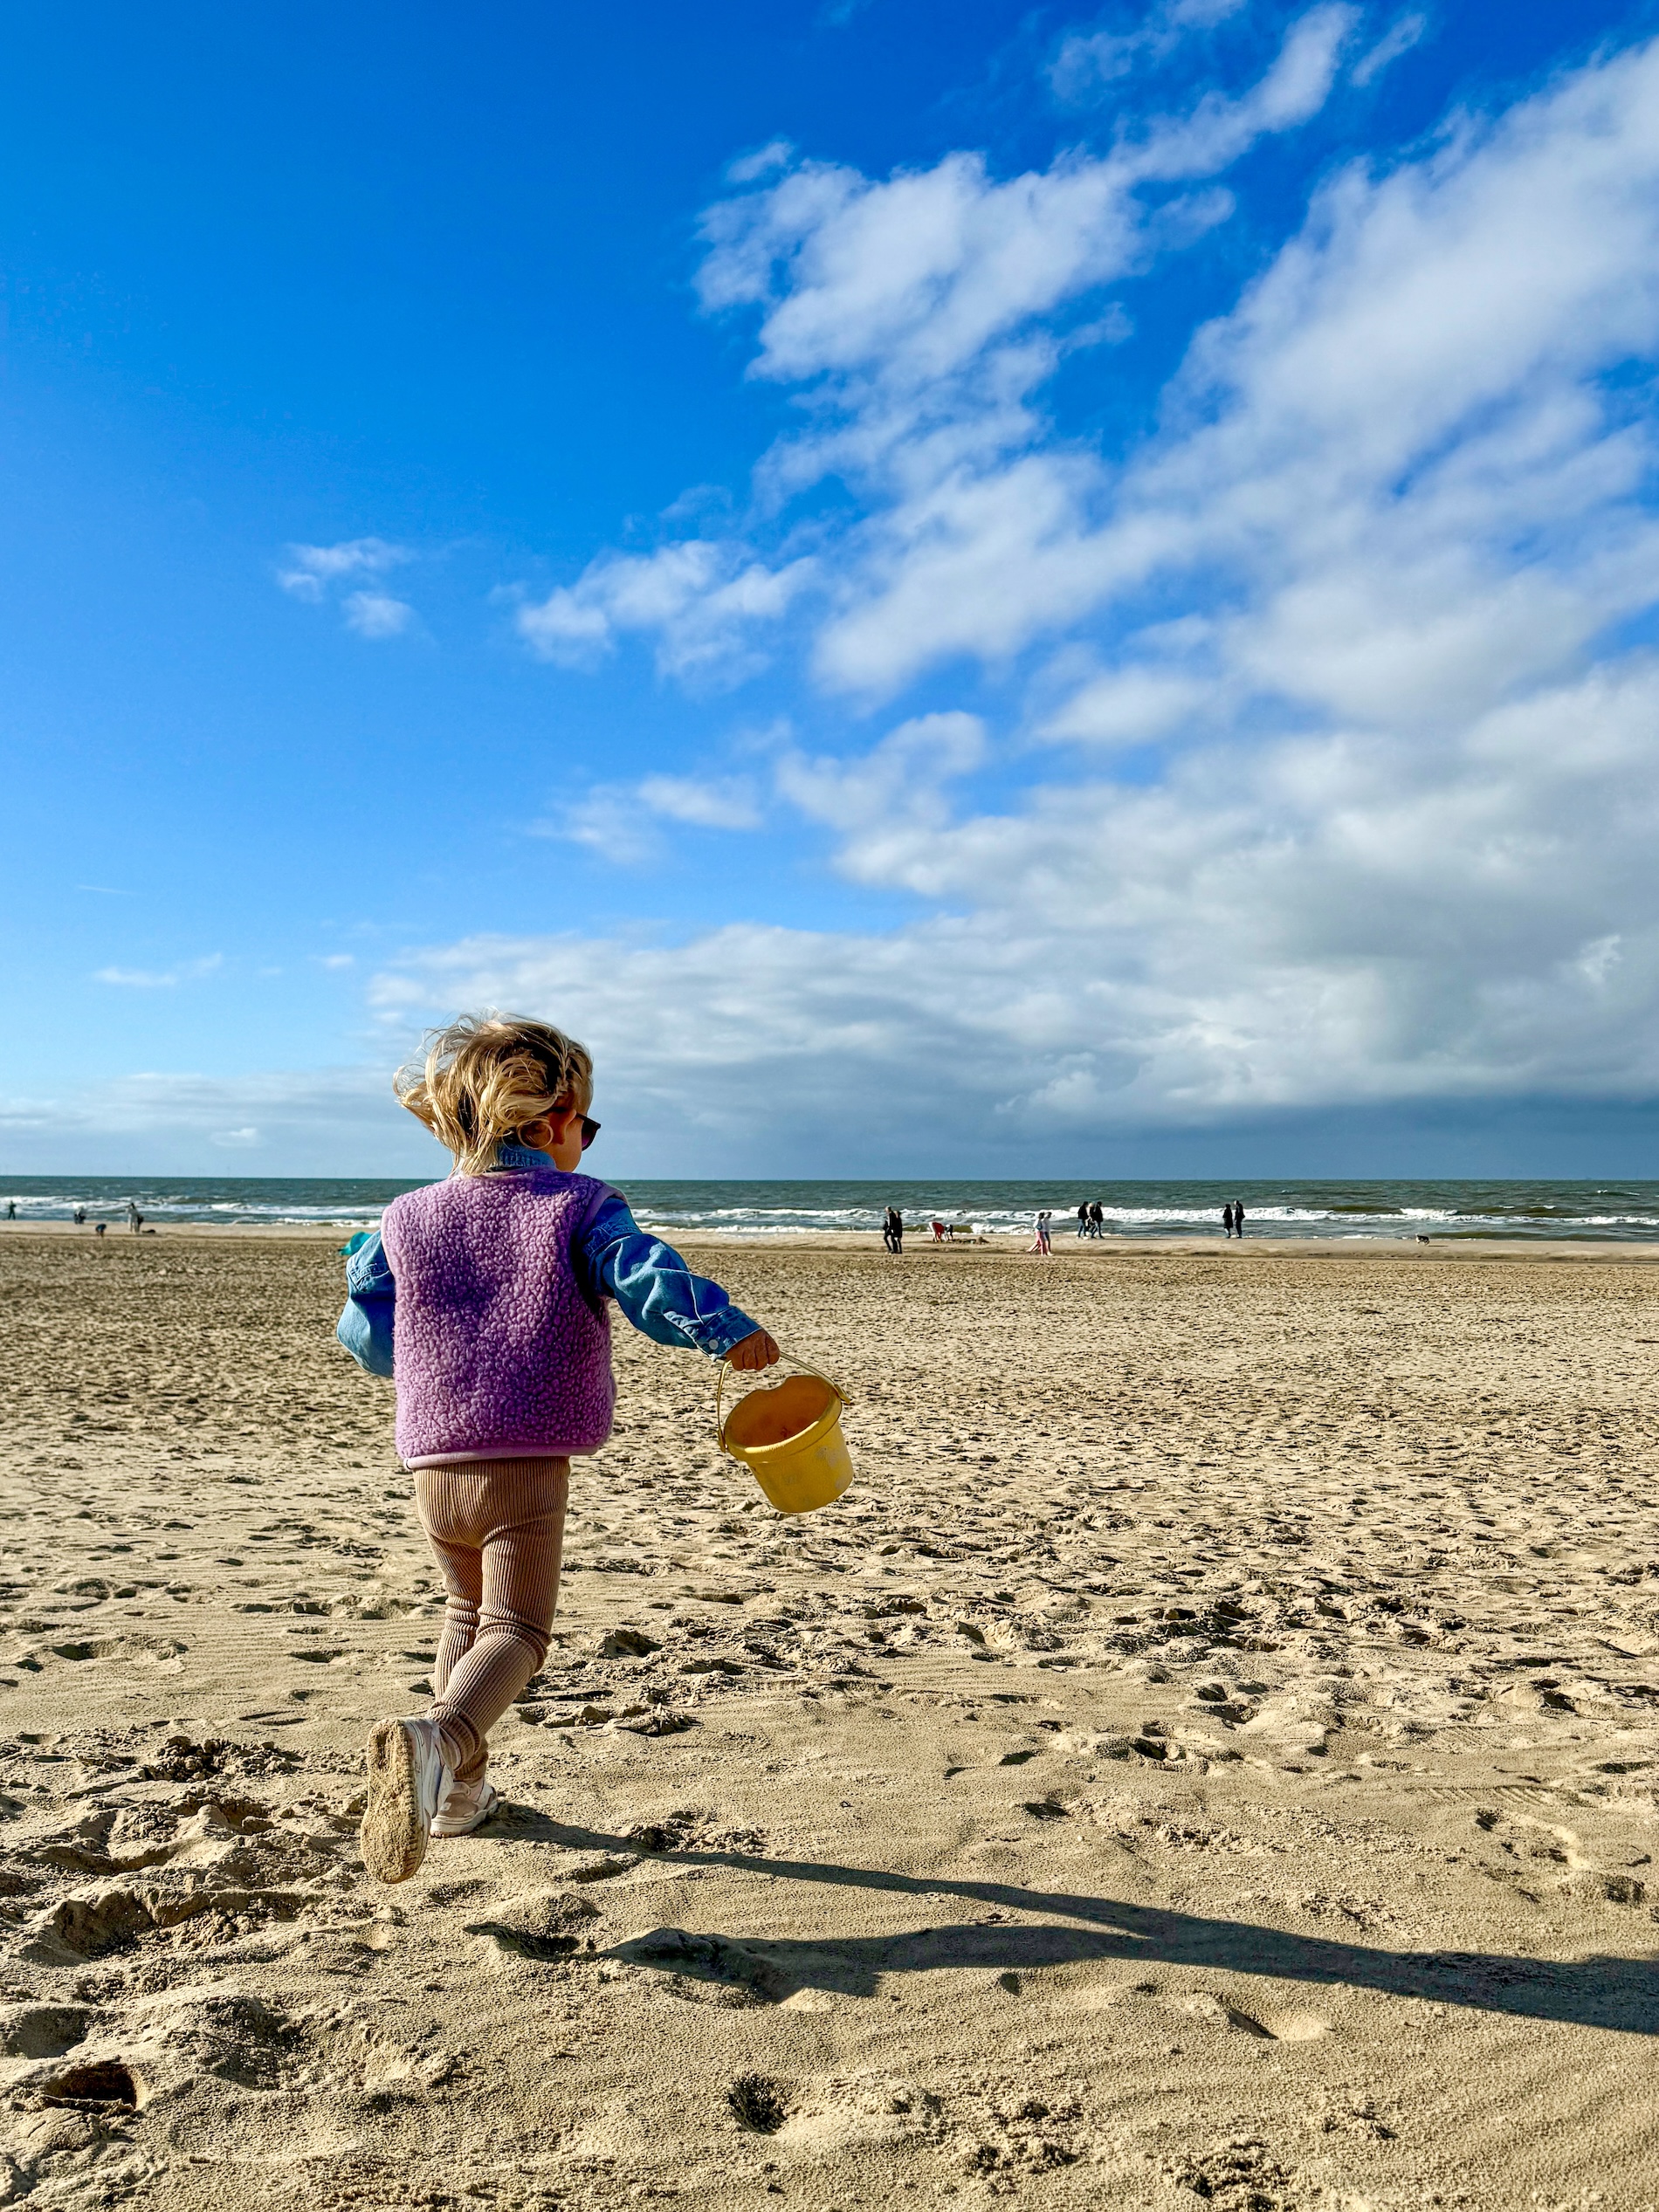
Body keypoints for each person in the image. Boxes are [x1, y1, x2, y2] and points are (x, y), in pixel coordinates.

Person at [336, 1013, 782, 1885]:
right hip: (525, 1451)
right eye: (588, 1123)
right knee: (518, 1629)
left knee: (465, 1613)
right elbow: (644, 1274)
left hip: (433, 1456)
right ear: (550, 1121)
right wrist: (724, 1329)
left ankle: (458, 1793)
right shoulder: (580, 1203)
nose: (588, 1139)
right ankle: (438, 1738)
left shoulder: (407, 1216)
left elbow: (368, 1337)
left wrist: (434, 1358)